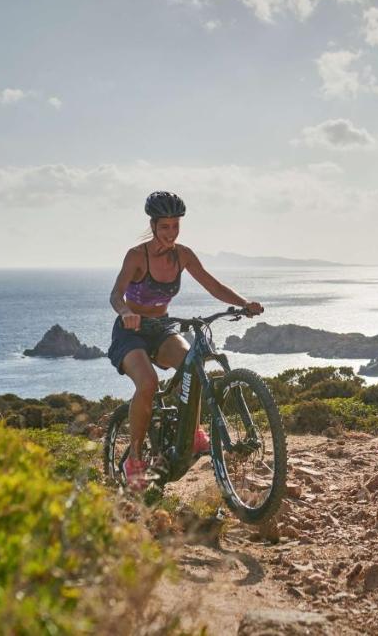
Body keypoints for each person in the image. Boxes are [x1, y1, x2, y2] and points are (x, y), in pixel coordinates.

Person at [109, 191, 263, 490]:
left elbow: (212, 285)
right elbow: (116, 294)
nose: (170, 233)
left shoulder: (184, 255)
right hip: (131, 331)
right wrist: (126, 311)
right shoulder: (137, 256)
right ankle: (135, 460)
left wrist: (244, 303)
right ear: (153, 225)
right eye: (164, 226)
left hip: (162, 328)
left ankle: (191, 433)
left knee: (194, 365)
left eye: (175, 226)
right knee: (148, 384)